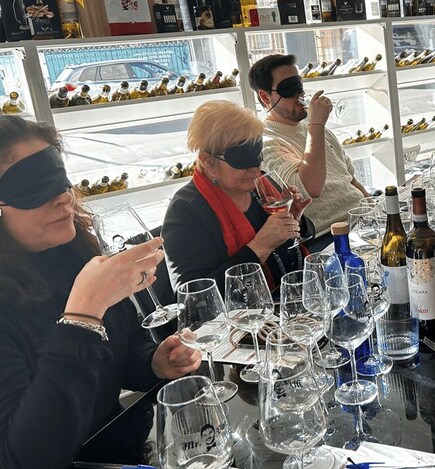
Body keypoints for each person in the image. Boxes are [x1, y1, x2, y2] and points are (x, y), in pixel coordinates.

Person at [0, 116, 201, 468]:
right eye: (35, 187)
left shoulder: (74, 255)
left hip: (122, 450)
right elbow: (25, 456)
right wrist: (83, 313)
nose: (63, 197)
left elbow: (118, 354)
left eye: (60, 179)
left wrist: (152, 363)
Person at [162, 100, 312, 293]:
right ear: (208, 161)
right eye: (241, 158)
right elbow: (193, 296)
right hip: (248, 310)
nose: (255, 168)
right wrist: (260, 246)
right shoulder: (185, 211)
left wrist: (295, 220)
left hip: (292, 294)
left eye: (257, 154)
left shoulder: (260, 186)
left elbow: (298, 246)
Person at [249, 54, 369, 250]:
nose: (299, 94)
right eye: (288, 88)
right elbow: (310, 189)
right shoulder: (268, 143)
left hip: (363, 220)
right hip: (327, 237)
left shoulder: (317, 130)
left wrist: (376, 209)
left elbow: (351, 180)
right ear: (265, 97)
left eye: (299, 85)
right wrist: (316, 124)